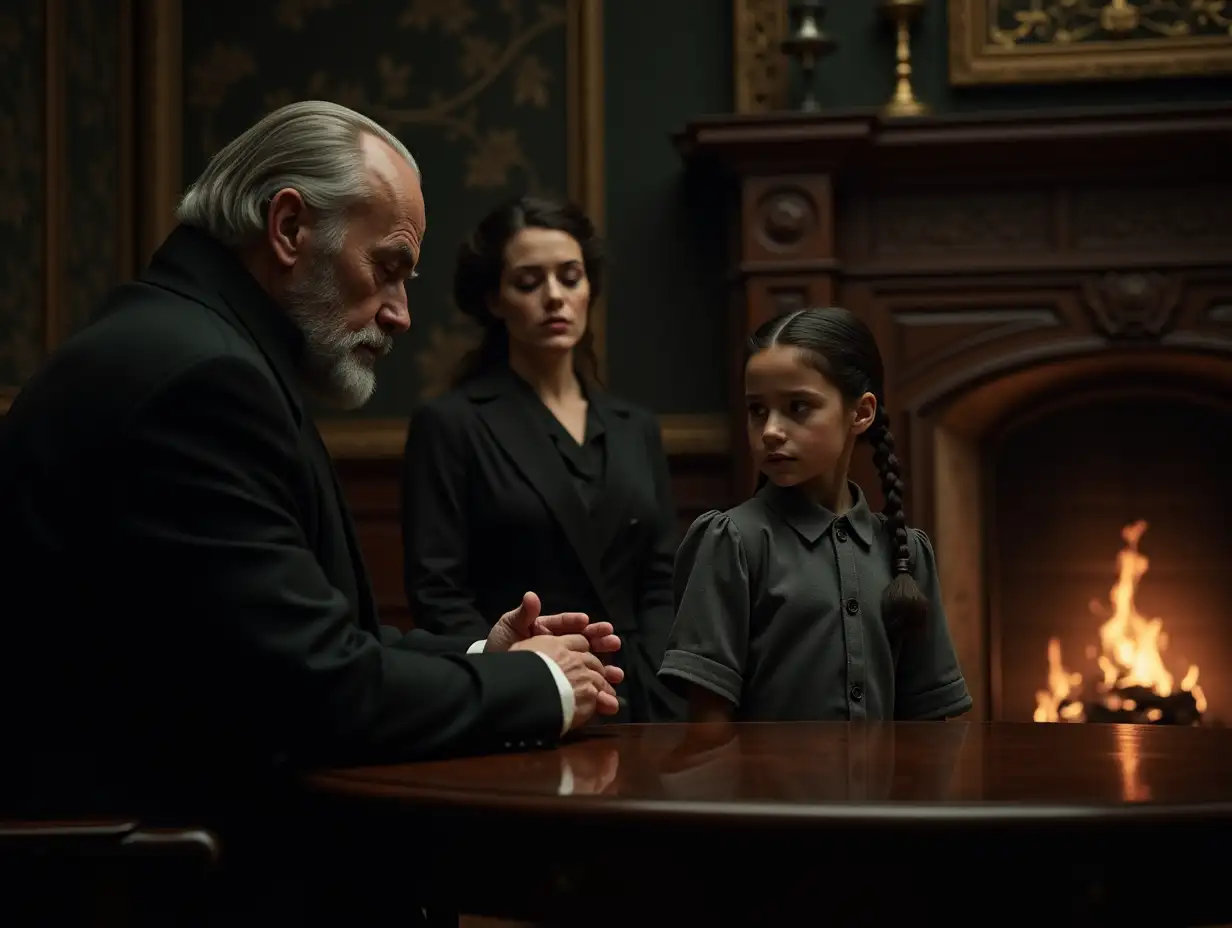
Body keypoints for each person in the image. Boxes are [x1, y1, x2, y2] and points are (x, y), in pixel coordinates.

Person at [0, 102, 622, 924]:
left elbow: (287, 640)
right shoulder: (200, 379)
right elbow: (314, 689)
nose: (401, 312)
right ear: (289, 227)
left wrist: (484, 648)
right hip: (172, 879)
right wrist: (536, 682)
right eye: (389, 268)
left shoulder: (189, 345)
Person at [401, 194, 684, 722]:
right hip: (525, 697)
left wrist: (660, 685)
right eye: (529, 282)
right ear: (495, 299)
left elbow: (660, 578)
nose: (555, 297)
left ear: (589, 288)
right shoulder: (452, 424)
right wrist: (520, 676)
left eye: (570, 277)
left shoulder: (635, 426)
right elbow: (438, 592)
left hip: (643, 698)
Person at [658, 307, 972, 723]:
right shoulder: (731, 542)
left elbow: (931, 723)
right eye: (757, 410)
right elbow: (708, 728)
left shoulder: (904, 553)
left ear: (860, 413)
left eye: (798, 407)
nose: (770, 430)